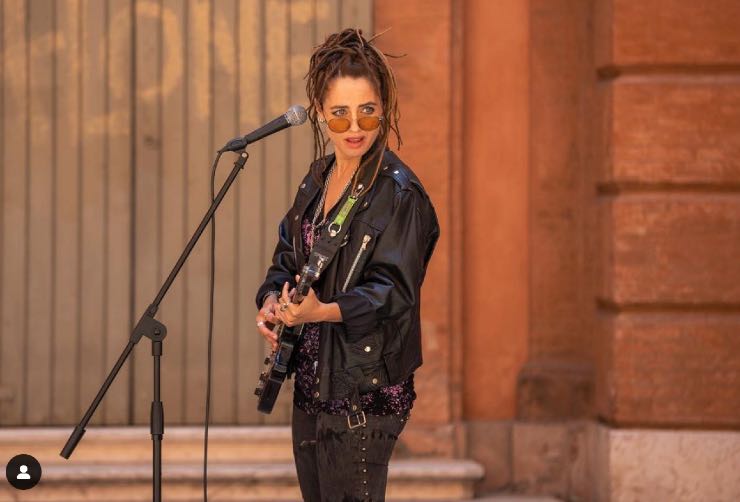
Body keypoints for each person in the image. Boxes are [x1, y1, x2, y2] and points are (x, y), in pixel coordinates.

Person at [254, 28, 440, 502]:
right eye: (339, 114)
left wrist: (322, 311)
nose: (355, 126)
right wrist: (273, 300)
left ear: (384, 109)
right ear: (319, 111)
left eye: (367, 111)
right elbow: (287, 256)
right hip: (311, 381)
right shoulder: (317, 179)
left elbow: (395, 292)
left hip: (364, 390)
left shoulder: (399, 193)